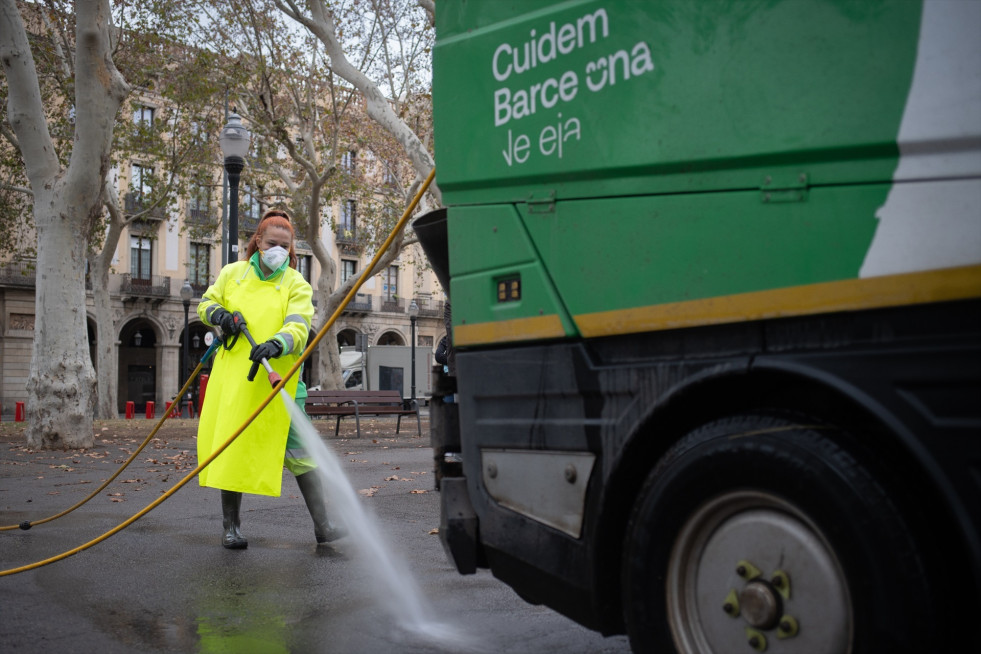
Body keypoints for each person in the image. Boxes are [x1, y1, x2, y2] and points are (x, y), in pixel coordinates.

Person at [197, 208, 324, 549]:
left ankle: (325, 526)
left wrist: (276, 343)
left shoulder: (295, 283)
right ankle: (231, 527)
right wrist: (220, 315)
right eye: (272, 243)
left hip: (279, 381)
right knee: (232, 447)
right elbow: (206, 304)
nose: (278, 251)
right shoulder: (233, 274)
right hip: (237, 382)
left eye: (285, 245)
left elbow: (299, 326)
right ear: (258, 241)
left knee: (302, 450)